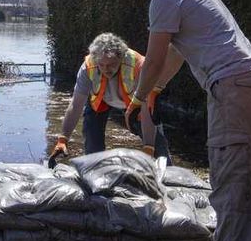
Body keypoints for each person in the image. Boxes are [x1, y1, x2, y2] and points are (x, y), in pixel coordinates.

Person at [122, 0, 251, 241]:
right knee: (248, 182)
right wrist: (158, 91)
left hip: (232, 87)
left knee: (230, 186)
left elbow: (153, 59)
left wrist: (137, 99)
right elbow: (176, 53)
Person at [52, 32, 171, 161]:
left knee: (158, 147)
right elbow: (75, 105)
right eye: (101, 65)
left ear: (121, 59)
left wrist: (149, 146)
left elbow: (146, 108)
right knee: (92, 149)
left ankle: (168, 173)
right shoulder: (87, 67)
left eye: (111, 65)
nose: (106, 69)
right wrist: (63, 139)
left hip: (135, 103)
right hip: (99, 103)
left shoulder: (139, 66)